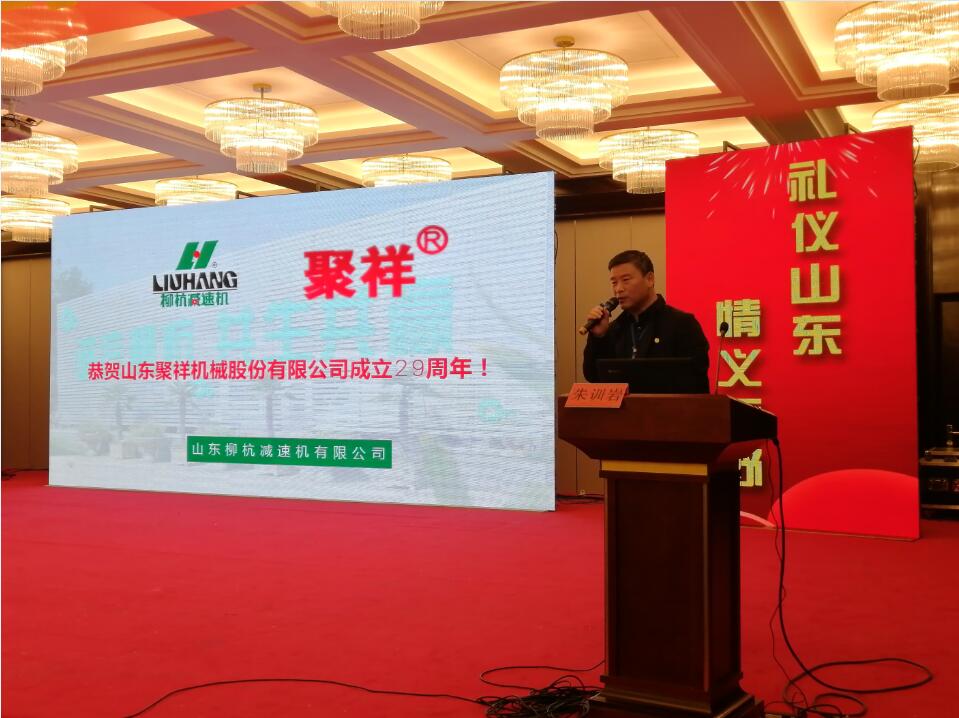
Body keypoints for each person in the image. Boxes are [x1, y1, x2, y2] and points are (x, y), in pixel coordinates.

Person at [582, 250, 710, 391]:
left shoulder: (682, 324)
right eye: (614, 282)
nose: (618, 289)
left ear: (650, 279)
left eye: (626, 280)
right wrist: (599, 337)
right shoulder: (614, 329)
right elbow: (593, 376)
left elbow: (696, 384)